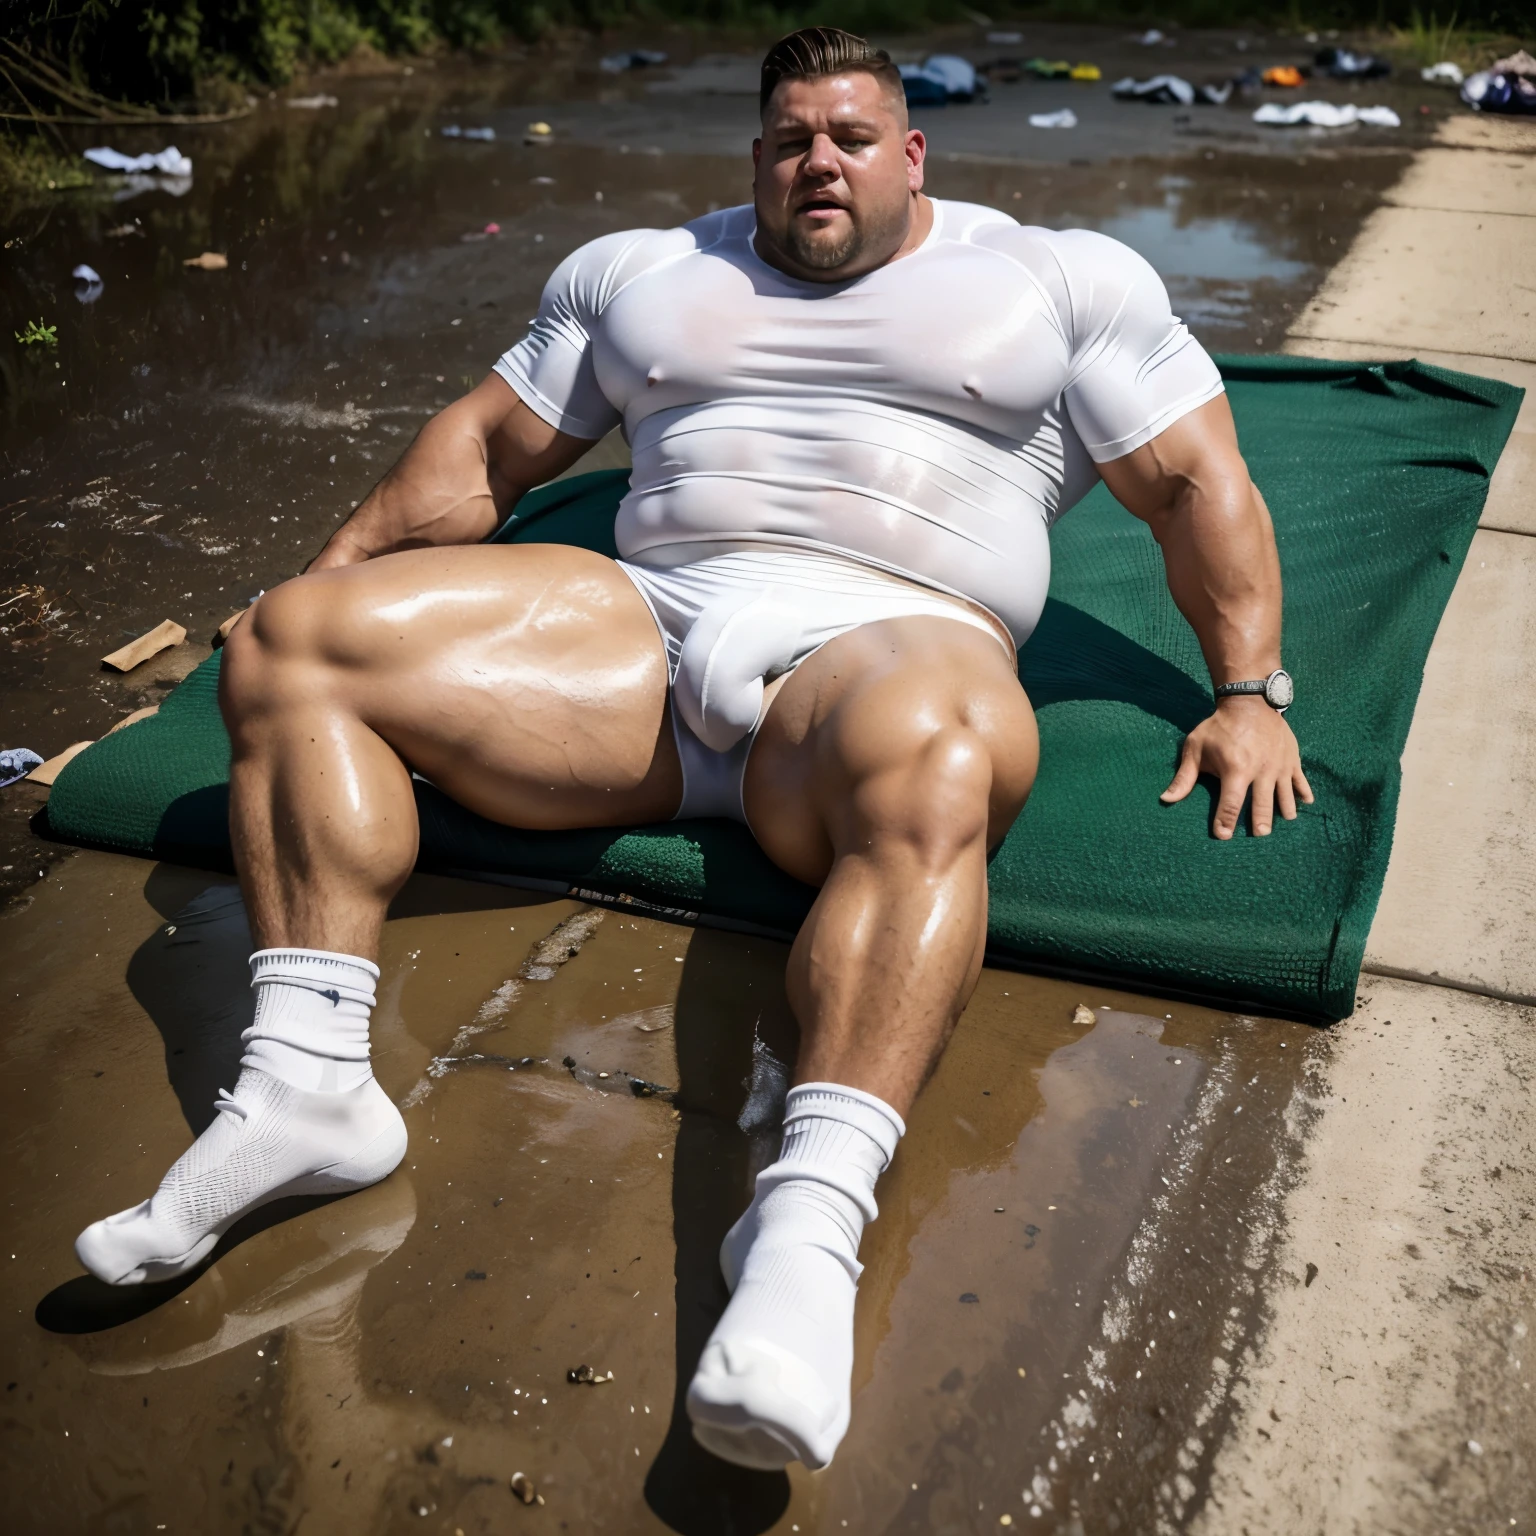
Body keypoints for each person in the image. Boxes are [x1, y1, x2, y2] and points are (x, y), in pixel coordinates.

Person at [75, 26, 1311, 1473]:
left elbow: (1191, 483)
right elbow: (483, 453)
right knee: (300, 640)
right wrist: (330, 573)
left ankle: (805, 1228)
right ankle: (304, 1091)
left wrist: (1251, 690)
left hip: (880, 654)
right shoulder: (648, 272)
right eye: (792, 139)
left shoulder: (1051, 277)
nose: (820, 162)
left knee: (947, 743)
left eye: (852, 136)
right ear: (757, 158)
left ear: (914, 151)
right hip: (636, 645)